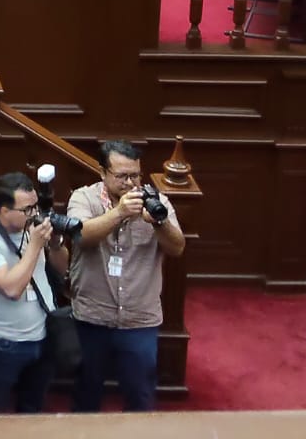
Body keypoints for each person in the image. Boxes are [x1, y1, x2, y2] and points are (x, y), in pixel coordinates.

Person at [66, 140, 185, 412]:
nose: (130, 183)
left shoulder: (157, 201)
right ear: (102, 172)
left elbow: (177, 247)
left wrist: (159, 222)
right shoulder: (84, 198)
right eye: (121, 176)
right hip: (93, 316)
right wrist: (119, 213)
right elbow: (81, 235)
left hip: (139, 319)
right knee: (87, 390)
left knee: (140, 393)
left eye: (135, 175)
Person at [0, 172, 68, 414]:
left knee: (32, 410)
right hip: (4, 344)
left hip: (44, 337)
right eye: (26, 209)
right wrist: (34, 245)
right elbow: (12, 288)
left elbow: (61, 270)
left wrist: (54, 243)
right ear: (3, 210)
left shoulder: (34, 227)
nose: (34, 214)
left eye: (35, 206)